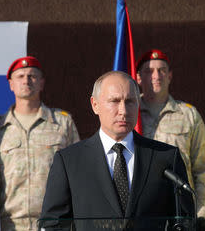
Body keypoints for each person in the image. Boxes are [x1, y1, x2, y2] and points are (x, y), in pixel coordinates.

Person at [40, 71, 193, 228]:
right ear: (95, 105)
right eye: (114, 101)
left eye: (130, 101)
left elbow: (184, 221)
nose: (123, 111)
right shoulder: (69, 162)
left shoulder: (165, 157)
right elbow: (53, 223)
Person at [0, 56, 80, 231]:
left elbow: (78, 174)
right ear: (11, 84)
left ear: (42, 83)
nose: (26, 80)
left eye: (32, 76)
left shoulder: (62, 123)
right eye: (20, 76)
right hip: (9, 225)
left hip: (54, 224)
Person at [136, 49, 205, 220]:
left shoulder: (188, 115)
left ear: (170, 76)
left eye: (162, 70)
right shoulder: (128, 115)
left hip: (179, 211)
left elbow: (204, 168)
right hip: (139, 213)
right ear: (138, 77)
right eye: (149, 71)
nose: (156, 76)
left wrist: (201, 217)